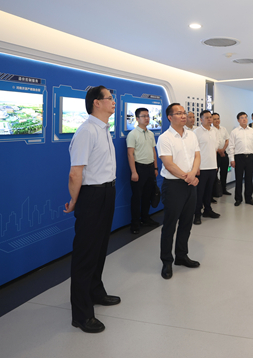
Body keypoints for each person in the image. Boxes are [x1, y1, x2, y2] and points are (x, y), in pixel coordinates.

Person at [64, 86, 121, 334]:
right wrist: (75, 200)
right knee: (86, 254)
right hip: (91, 195)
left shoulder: (104, 129)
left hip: (107, 192)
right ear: (96, 103)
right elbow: (75, 172)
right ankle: (81, 314)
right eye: (109, 98)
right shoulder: (86, 131)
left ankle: (96, 292)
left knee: (99, 249)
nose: (113, 102)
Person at [157, 103, 201, 280]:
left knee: (186, 223)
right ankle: (166, 261)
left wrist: (192, 174)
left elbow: (197, 156)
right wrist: (188, 177)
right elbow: (168, 164)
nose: (183, 116)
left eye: (184, 113)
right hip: (174, 185)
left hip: (190, 184)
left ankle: (182, 256)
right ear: (170, 117)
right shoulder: (165, 138)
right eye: (179, 113)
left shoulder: (191, 135)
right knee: (170, 225)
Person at [127, 107, 159, 235]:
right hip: (139, 168)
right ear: (137, 118)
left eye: (148, 116)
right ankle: (135, 224)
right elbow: (130, 154)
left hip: (150, 168)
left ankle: (145, 219)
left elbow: (153, 151)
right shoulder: (133, 134)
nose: (147, 118)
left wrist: (155, 167)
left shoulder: (150, 134)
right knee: (136, 197)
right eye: (143, 116)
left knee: (147, 196)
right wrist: (134, 172)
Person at [194, 110, 221, 224]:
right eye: (207, 117)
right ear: (201, 119)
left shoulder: (215, 131)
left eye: (210, 117)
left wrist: (215, 165)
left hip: (212, 166)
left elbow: (215, 148)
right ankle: (197, 214)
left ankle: (207, 210)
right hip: (201, 167)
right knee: (199, 192)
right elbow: (194, 151)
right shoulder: (196, 132)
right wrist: (196, 167)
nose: (210, 119)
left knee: (209, 191)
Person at [227, 112, 253, 206]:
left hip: (250, 157)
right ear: (238, 120)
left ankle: (249, 198)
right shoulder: (234, 132)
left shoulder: (252, 131)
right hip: (239, 157)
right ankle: (238, 199)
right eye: (241, 118)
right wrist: (232, 159)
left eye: (245, 117)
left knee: (249, 179)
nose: (244, 119)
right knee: (239, 179)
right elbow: (231, 146)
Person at [212, 113, 232, 196]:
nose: (217, 120)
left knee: (224, 172)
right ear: (211, 120)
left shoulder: (223, 129)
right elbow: (211, 143)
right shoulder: (211, 130)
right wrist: (218, 150)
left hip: (224, 153)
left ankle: (224, 189)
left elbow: (227, 140)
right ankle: (214, 192)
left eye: (218, 118)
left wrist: (223, 149)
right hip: (215, 155)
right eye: (215, 119)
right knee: (214, 174)